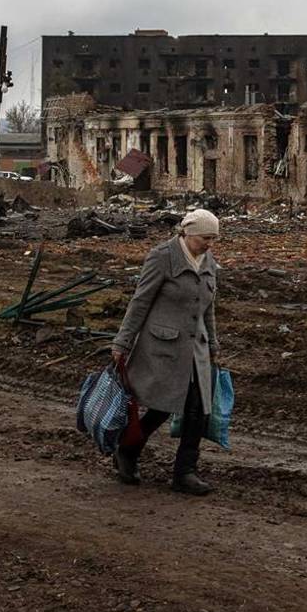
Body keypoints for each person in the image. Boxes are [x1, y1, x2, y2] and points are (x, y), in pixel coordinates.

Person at [110, 209, 221, 496]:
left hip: (196, 348)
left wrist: (213, 344)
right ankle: (127, 451)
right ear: (188, 234)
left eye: (214, 239)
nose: (210, 244)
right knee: (161, 407)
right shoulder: (163, 257)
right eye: (206, 238)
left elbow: (208, 307)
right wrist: (122, 342)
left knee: (197, 410)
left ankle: (185, 472)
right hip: (163, 345)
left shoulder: (207, 260)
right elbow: (140, 302)